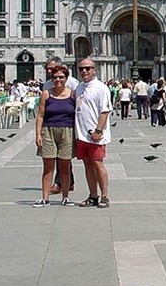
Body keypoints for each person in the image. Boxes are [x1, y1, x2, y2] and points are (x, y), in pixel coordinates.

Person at [33, 64, 76, 207]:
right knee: (48, 167)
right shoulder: (46, 93)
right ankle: (45, 198)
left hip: (67, 131)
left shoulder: (73, 94)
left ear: (66, 78)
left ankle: (65, 197)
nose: (58, 80)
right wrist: (38, 134)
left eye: (61, 77)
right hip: (48, 131)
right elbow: (40, 115)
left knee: (65, 166)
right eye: (55, 77)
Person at [74, 59, 113, 208]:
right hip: (82, 134)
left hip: (96, 135)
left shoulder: (101, 88)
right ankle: (93, 195)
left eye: (88, 68)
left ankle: (105, 196)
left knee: (98, 164)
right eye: (82, 68)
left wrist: (98, 131)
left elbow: (105, 111)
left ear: (94, 70)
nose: (84, 71)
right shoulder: (79, 87)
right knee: (87, 164)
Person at [42, 56, 79, 195]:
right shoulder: (47, 85)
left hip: (68, 125)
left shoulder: (73, 83)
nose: (50, 72)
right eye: (48, 70)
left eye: (52, 68)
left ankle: (61, 183)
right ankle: (66, 183)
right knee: (57, 157)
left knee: (64, 157)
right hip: (51, 126)